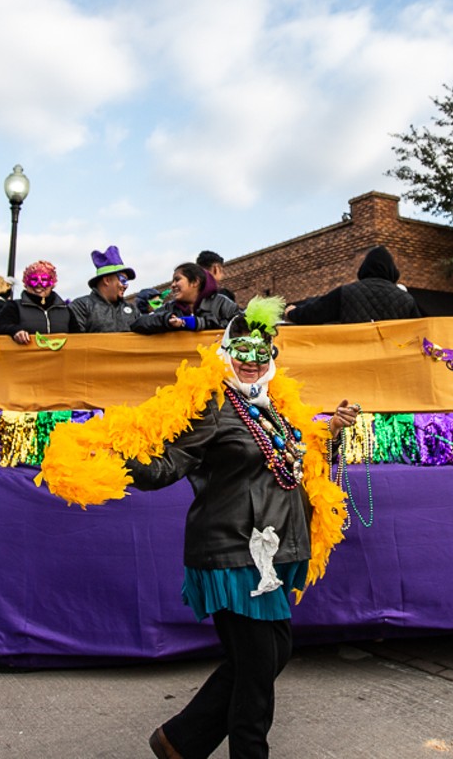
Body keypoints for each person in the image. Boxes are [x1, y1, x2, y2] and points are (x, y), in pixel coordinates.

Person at [126, 297, 358, 759]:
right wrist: (118, 457)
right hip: (233, 551)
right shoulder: (212, 406)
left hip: (268, 551)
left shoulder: (273, 406)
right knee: (256, 669)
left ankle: (181, 740)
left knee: (272, 653)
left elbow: (294, 457)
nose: (251, 363)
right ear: (225, 353)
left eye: (261, 354)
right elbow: (170, 463)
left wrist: (329, 429)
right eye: (242, 352)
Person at [283, 246, 420, 325]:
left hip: (356, 365)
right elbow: (421, 333)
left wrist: (292, 312)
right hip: (393, 365)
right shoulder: (406, 300)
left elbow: (314, 313)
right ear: (392, 271)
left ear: (364, 268)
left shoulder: (346, 292)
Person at [131, 262, 238, 335]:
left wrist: (198, 323)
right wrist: (166, 320)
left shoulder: (221, 303)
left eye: (177, 280)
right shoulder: (170, 308)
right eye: (172, 281)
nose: (172, 285)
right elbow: (138, 324)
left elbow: (242, 325)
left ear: (195, 282)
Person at [0, 260, 74, 342]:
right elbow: (2, 327)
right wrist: (15, 331)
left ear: (52, 283)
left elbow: (77, 335)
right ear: (26, 283)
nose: (39, 285)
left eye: (44, 280)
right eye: (34, 280)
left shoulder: (65, 309)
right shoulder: (14, 306)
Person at [70, 246, 140, 333]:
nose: (126, 286)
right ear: (107, 280)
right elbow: (76, 342)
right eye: (123, 280)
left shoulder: (132, 309)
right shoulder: (81, 306)